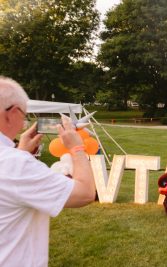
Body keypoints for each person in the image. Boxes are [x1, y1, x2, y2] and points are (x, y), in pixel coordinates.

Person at [0, 77, 96, 266]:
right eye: (24, 114)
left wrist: (20, 152)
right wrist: (77, 148)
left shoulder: (12, 161)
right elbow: (84, 194)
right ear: (12, 113)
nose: (25, 121)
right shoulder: (15, 164)